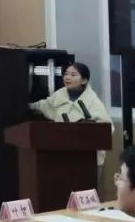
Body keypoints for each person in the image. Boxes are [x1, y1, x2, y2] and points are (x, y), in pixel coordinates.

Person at [29, 62, 117, 192]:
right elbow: (42, 106)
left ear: (84, 80)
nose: (67, 77)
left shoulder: (93, 102)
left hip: (88, 160)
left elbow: (107, 129)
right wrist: (24, 105)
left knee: (87, 194)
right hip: (61, 157)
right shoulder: (58, 96)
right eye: (66, 74)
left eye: (73, 74)